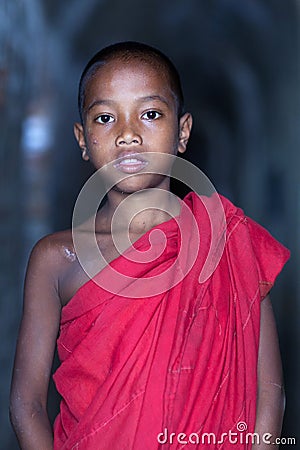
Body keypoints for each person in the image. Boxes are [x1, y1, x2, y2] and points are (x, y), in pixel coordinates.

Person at [10, 41, 290, 449]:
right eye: (105, 118)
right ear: (82, 139)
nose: (127, 134)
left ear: (183, 132)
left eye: (151, 114)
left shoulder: (226, 243)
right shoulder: (55, 259)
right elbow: (27, 404)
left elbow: (270, 395)